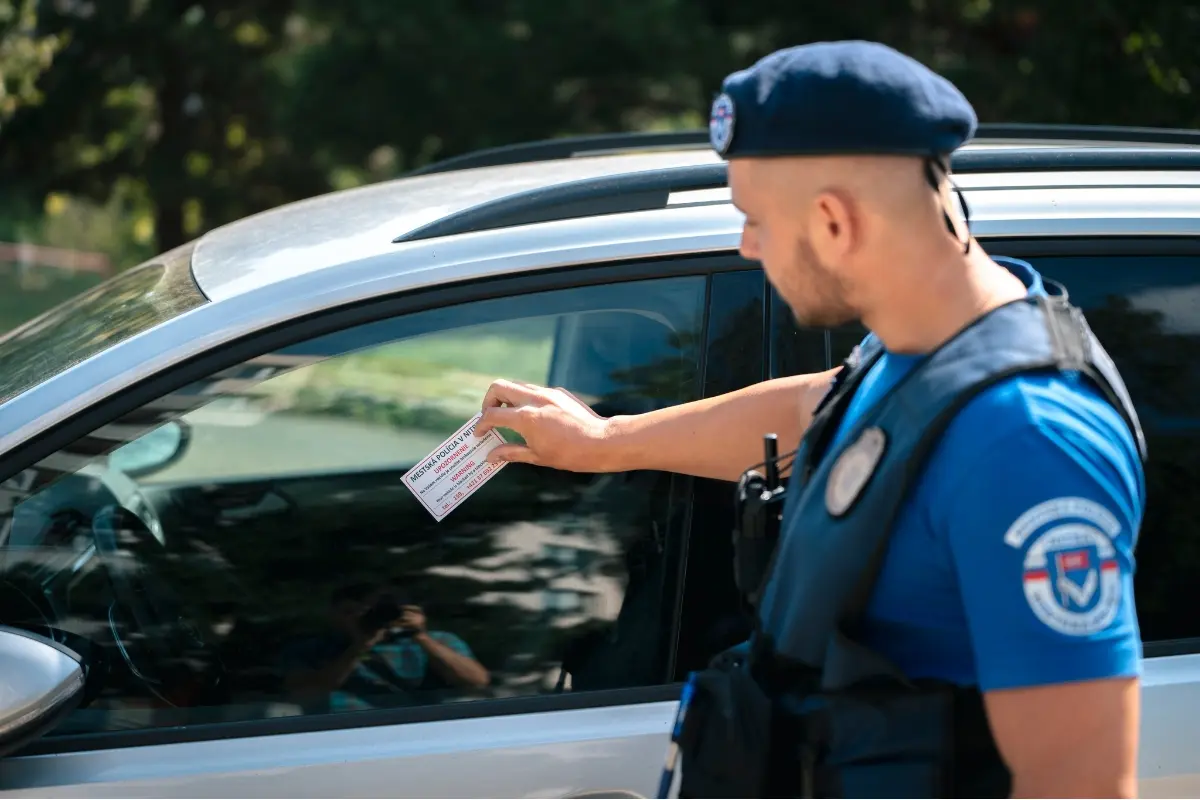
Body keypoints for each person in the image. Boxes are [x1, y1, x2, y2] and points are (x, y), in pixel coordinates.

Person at [474, 41, 1145, 799]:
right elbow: (812, 409)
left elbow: (1080, 784)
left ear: (833, 221)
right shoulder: (917, 357)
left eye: (756, 220)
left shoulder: (1025, 441)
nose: (745, 245)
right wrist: (604, 441)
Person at [281, 584, 490, 712]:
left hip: (426, 729)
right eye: (350, 612)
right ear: (333, 615)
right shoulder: (312, 649)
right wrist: (360, 645)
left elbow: (476, 681)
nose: (362, 618)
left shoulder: (439, 641)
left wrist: (419, 636)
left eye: (373, 611)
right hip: (345, 732)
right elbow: (307, 691)